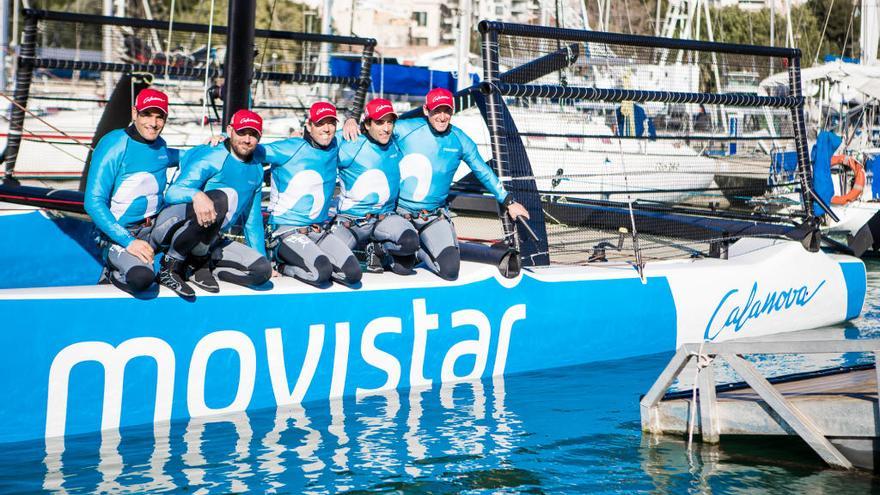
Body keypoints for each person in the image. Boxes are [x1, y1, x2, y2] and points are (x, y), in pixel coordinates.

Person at [342, 88, 529, 280]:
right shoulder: (406, 128)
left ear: (452, 112)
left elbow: (483, 170)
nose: (441, 116)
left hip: (432, 216)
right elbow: (375, 128)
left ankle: (420, 249)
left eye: (446, 110)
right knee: (402, 268)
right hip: (400, 214)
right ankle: (380, 247)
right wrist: (350, 120)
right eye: (436, 110)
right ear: (425, 110)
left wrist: (508, 201)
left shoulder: (460, 139)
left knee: (449, 270)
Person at [159, 109, 272, 297]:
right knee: (221, 199)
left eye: (253, 135)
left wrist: (262, 256)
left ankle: (208, 268)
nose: (247, 139)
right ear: (230, 130)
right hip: (179, 230)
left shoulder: (257, 170)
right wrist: (197, 195)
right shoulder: (211, 155)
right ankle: (172, 264)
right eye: (242, 132)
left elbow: (252, 223)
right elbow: (172, 193)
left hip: (212, 240)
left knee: (262, 271)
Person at [84, 88, 181, 294]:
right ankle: (112, 273)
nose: (153, 123)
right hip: (122, 234)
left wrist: (212, 147)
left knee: (191, 208)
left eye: (159, 117)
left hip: (153, 229)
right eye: (146, 114)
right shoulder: (114, 144)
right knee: (142, 278)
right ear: (134, 113)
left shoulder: (160, 146)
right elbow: (93, 202)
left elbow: (180, 157)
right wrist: (128, 242)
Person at [263, 101, 361, 286]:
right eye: (320, 123)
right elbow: (250, 149)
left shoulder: (335, 143)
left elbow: (367, 129)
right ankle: (284, 266)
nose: (326, 128)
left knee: (353, 274)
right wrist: (223, 140)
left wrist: (351, 121)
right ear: (309, 126)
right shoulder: (290, 147)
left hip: (317, 231)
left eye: (331, 122)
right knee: (321, 272)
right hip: (286, 232)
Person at [331, 97, 419, 275]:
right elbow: (318, 141)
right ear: (368, 123)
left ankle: (378, 248)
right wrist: (349, 119)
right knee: (335, 265)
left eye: (389, 122)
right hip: (352, 221)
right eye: (379, 122)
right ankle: (363, 251)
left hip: (384, 219)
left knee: (408, 251)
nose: (386, 128)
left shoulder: (395, 141)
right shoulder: (349, 141)